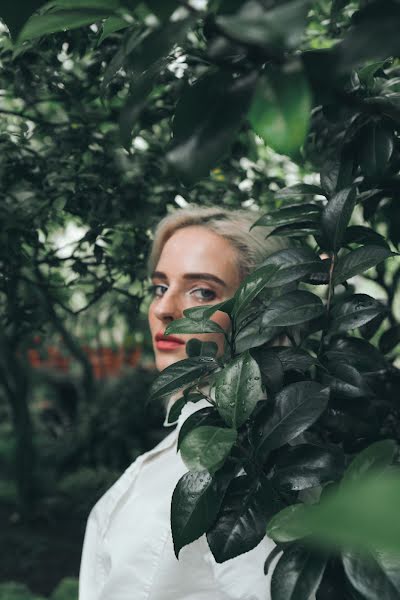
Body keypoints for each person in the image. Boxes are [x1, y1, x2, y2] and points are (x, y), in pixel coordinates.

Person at [79, 205, 288, 600]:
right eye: (160, 287)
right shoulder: (190, 435)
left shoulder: (256, 463)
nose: (163, 309)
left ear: (261, 313)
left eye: (202, 291)